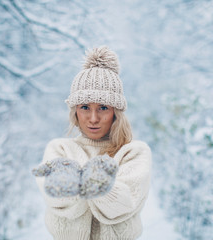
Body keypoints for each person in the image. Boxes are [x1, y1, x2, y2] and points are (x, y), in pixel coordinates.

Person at [32, 46, 152, 240]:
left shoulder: (134, 152)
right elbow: (60, 198)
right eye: (85, 107)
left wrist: (77, 178)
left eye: (103, 107)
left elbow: (123, 203)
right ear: (75, 111)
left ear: (116, 112)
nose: (93, 118)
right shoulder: (60, 149)